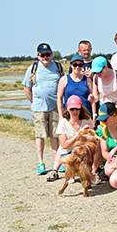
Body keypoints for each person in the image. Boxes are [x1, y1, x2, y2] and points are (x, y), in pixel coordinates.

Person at [23, 43, 64, 175]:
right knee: (40, 136)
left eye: (48, 54)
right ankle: (40, 163)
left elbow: (63, 83)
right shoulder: (33, 68)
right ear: (38, 56)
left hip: (55, 108)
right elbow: (27, 88)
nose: (45, 57)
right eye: (42, 55)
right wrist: (35, 102)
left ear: (51, 54)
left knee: (54, 136)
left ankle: (57, 163)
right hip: (39, 108)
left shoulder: (58, 66)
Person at [47, 95, 94, 182]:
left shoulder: (87, 121)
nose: (75, 111)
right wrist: (79, 134)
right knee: (70, 161)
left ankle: (91, 171)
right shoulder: (63, 123)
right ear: (68, 109)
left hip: (82, 151)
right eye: (72, 109)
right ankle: (64, 171)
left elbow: (92, 140)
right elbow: (64, 145)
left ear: (81, 108)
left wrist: (88, 132)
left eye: (77, 108)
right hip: (68, 151)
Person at [57, 53, 93, 120]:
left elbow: (92, 100)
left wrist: (94, 115)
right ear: (71, 65)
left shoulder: (88, 80)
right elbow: (59, 98)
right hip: (70, 115)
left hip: (85, 115)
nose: (77, 67)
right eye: (75, 64)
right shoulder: (64, 79)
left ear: (83, 66)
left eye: (80, 65)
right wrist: (60, 115)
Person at [95, 102, 117, 180]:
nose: (103, 122)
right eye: (101, 120)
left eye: (105, 119)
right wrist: (109, 157)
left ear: (114, 115)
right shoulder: (104, 131)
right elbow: (104, 151)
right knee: (109, 171)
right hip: (113, 157)